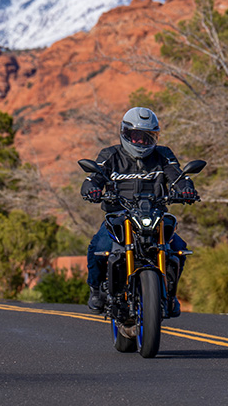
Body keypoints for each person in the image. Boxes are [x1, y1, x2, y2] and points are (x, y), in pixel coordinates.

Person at [80, 107, 198, 317]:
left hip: (154, 215)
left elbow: (177, 175)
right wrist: (92, 189)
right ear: (125, 133)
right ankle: (96, 289)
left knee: (179, 248)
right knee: (99, 247)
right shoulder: (110, 155)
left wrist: (186, 189)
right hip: (118, 216)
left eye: (147, 137)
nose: (141, 142)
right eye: (136, 136)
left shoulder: (163, 155)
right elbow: (94, 177)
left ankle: (170, 295)